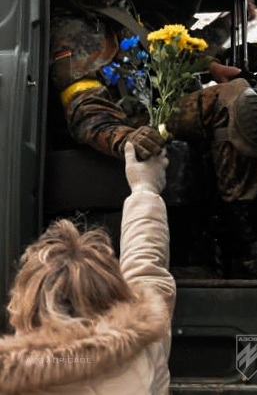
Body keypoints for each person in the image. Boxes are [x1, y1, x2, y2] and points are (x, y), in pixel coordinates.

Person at [49, 0, 257, 277]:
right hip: (132, 122)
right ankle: (246, 240)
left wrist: (213, 61)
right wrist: (126, 139)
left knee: (235, 96)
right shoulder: (74, 30)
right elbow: (85, 112)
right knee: (233, 102)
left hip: (150, 107)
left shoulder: (120, 6)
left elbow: (161, 53)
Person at [0, 143, 174, 394]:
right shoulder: (143, 345)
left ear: (25, 302)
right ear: (114, 293)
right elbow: (146, 269)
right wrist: (144, 188)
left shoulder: (11, 378)